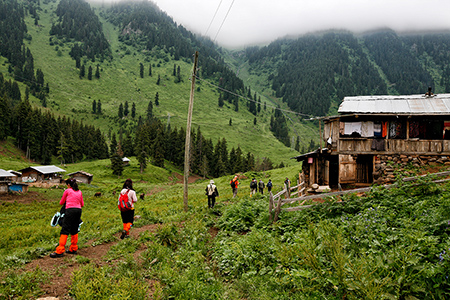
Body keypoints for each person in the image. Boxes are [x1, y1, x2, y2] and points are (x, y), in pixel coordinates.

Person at [50, 178, 84, 258]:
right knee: (74, 229)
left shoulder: (67, 191)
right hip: (78, 211)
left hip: (69, 211)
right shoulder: (79, 192)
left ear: (68, 185)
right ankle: (73, 248)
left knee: (65, 230)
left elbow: (61, 202)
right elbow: (82, 204)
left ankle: (60, 250)